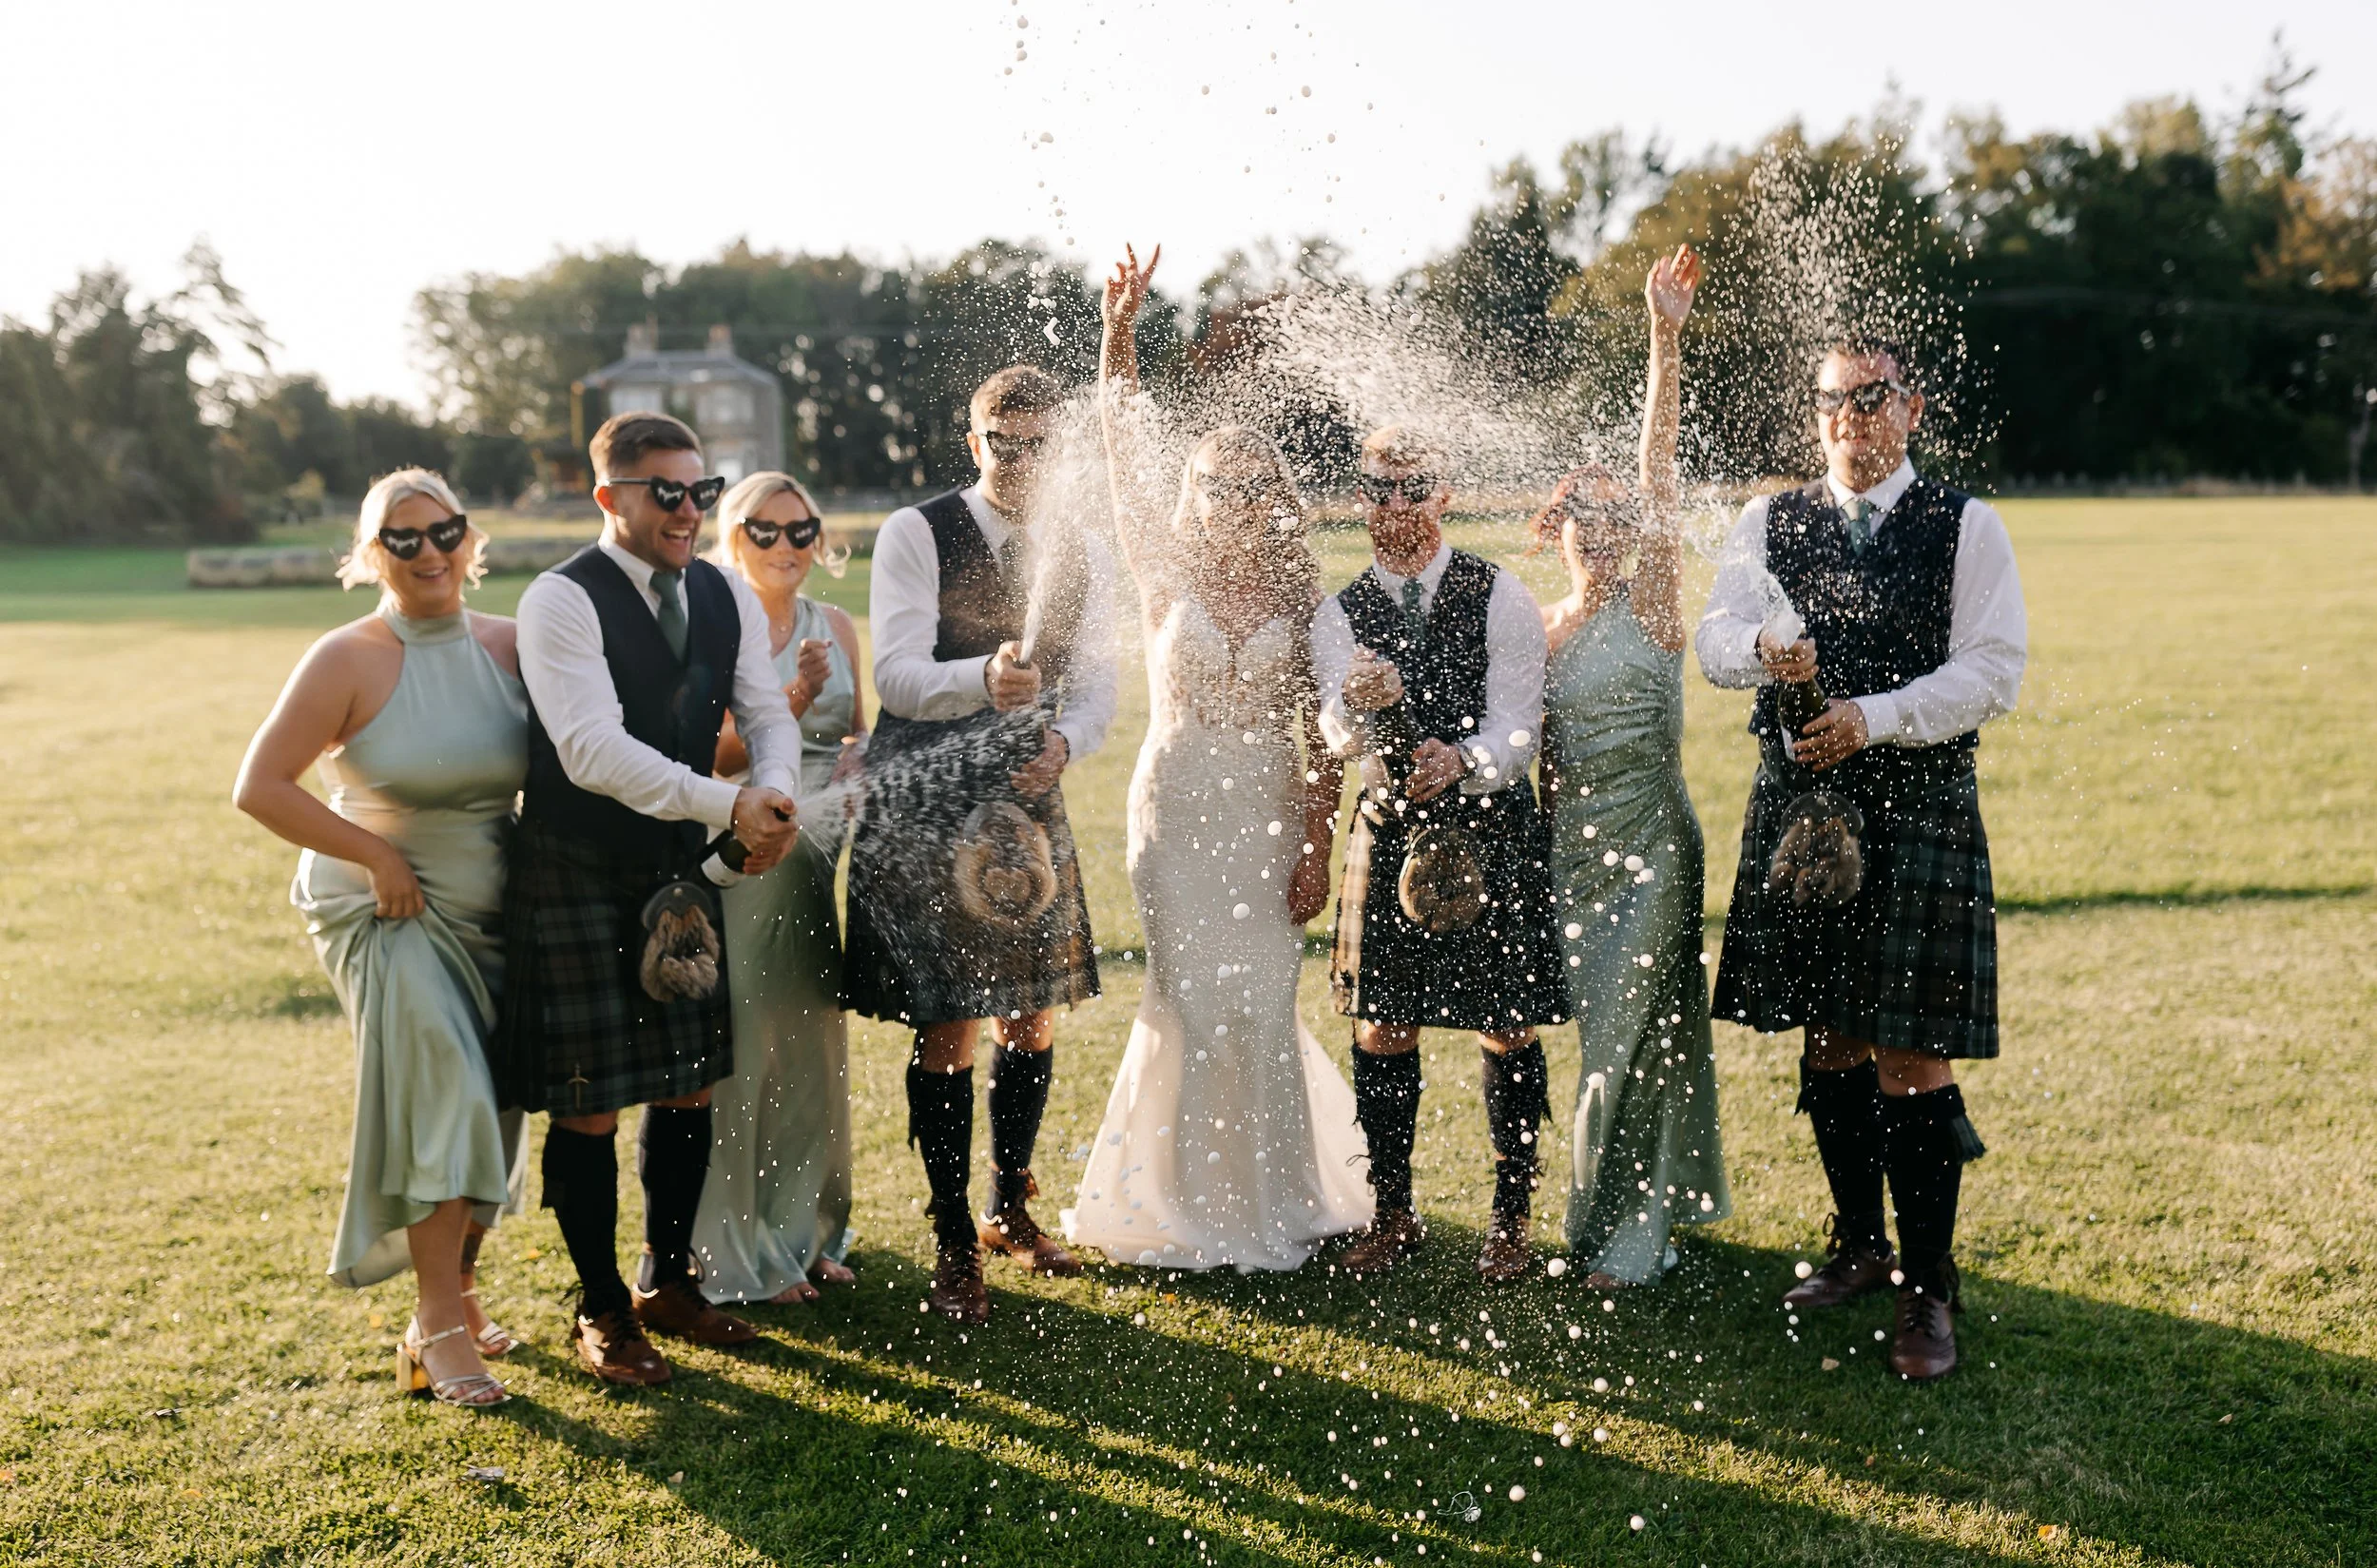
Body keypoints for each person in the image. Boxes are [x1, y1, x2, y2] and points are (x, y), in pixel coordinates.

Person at [1697, 337, 2026, 1382]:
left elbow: (1991, 671)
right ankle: (1857, 1242)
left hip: (1918, 804)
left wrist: (1871, 717)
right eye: (1832, 399)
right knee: (1830, 1036)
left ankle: (1929, 1287)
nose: (1849, 416)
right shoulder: (1770, 520)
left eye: (1870, 397)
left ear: (1911, 409)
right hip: (1801, 811)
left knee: (1909, 1053)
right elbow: (1710, 637)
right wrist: (1760, 653)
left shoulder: (1965, 524)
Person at [1065, 243, 1373, 1271]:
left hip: (1268, 808)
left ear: (1273, 497)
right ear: (1193, 496)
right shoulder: (1163, 569)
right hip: (1178, 804)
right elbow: (1122, 448)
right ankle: (1190, 1207)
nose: (1233, 503)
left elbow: (1320, 739)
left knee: (1261, 996)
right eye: (1214, 487)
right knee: (1192, 998)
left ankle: (1277, 1193)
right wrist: (1119, 335)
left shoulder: (1301, 597)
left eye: (1250, 488)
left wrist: (1317, 842)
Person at [496, 412, 804, 1386]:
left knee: (686, 1080)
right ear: (608, 498)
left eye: (698, 490)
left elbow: (761, 708)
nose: (685, 510)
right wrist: (731, 801)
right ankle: (597, 1305)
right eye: (662, 491)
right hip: (576, 864)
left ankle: (669, 1282)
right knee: (588, 1102)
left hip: (679, 861)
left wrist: (778, 800)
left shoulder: (719, 589)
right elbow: (588, 749)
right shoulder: (560, 599)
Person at [234, 470, 529, 1408]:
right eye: (402, 539)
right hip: (382, 905)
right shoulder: (345, 657)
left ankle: (461, 1294)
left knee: (495, 1104)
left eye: (444, 530)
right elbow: (262, 785)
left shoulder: (514, 646)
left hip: (492, 910)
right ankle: (436, 1327)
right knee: (444, 1088)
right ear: (371, 556)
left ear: (469, 538)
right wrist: (372, 854)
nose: (430, 552)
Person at [841, 364, 1119, 1324]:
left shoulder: (1082, 548)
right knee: (950, 1020)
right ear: (976, 444)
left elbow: (1096, 687)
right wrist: (983, 678)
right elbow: (898, 675)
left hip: (1025, 792)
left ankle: (1010, 1204)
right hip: (928, 802)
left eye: (1042, 444)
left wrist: (1064, 742)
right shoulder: (915, 531)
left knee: (1032, 1013)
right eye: (1006, 444)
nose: (1024, 462)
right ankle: (953, 1238)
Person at [1316, 426, 1572, 1283]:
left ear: (1442, 492)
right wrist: (1358, 712)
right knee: (1382, 1025)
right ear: (1362, 499)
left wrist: (1462, 761)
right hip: (1388, 829)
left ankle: (1512, 1214)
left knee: (1505, 1025)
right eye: (1378, 490)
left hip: (1491, 828)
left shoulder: (1501, 594)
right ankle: (1393, 1211)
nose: (1395, 506)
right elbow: (1333, 730)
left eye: (1411, 487)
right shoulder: (1337, 613)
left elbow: (1519, 724)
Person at [1535, 246, 1730, 1289]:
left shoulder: (1651, 604)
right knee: (1625, 1042)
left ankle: (1618, 1231)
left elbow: (1658, 471)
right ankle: (1643, 1201)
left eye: (1618, 518)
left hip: (1655, 850)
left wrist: (1664, 335)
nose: (1605, 530)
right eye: (1584, 516)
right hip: (1571, 858)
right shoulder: (1532, 631)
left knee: (1624, 1037)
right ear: (1552, 529)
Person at [690, 472, 863, 1305]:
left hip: (813, 862)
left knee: (808, 1050)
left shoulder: (836, 625)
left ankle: (807, 1234)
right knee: (745, 1051)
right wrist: (791, 696)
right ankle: (736, 1247)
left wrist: (861, 763)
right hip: (746, 860)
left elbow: (854, 732)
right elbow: (709, 754)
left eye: (802, 530)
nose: (787, 546)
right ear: (733, 536)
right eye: (765, 531)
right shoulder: (715, 627)